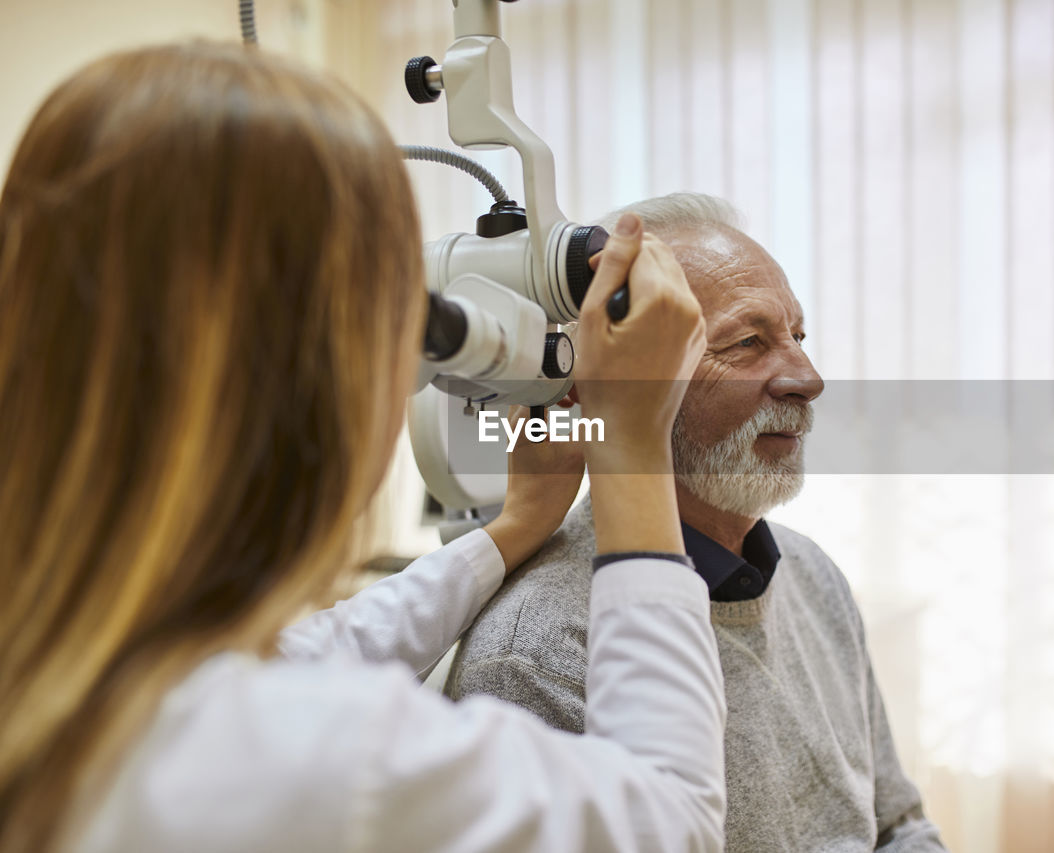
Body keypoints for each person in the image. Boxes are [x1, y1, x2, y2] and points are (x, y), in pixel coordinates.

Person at [0, 44, 724, 852]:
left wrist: (513, 527)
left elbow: (310, 653)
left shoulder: (67, 658)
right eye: (408, 322)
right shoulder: (319, 761)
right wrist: (629, 440)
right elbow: (673, 820)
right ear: (321, 377)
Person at [447, 193, 947, 852]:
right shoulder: (538, 655)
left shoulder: (813, 575)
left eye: (797, 337)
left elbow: (898, 823)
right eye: (748, 342)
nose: (807, 377)